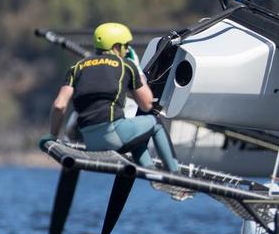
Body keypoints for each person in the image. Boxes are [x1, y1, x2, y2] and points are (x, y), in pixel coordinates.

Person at [40, 22, 180, 174]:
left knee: (136, 133)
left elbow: (59, 105)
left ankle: (150, 170)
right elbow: (147, 104)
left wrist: (53, 135)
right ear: (116, 47)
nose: (127, 50)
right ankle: (175, 174)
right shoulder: (126, 65)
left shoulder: (76, 68)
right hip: (113, 135)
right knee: (154, 123)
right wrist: (137, 69)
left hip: (89, 140)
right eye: (125, 45)